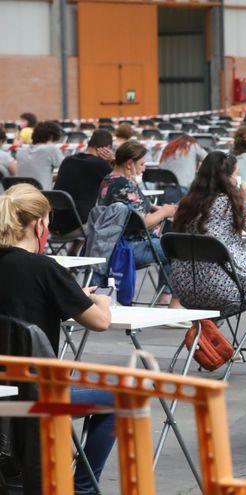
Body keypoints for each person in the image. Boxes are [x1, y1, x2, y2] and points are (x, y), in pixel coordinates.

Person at [0, 184, 116, 494]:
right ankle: (83, 488)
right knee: (117, 395)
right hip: (35, 390)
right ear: (38, 225)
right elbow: (100, 322)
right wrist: (100, 301)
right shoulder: (44, 268)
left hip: (3, 387)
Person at [170, 152, 246, 363]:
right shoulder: (230, 204)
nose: (237, 180)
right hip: (225, 289)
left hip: (187, 291)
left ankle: (212, 337)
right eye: (236, 175)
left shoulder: (185, 205)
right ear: (227, 178)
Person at [99, 141, 180, 308]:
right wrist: (164, 212)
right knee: (180, 251)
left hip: (110, 245)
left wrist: (160, 208)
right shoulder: (126, 186)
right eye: (142, 164)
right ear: (129, 164)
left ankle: (165, 295)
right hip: (131, 247)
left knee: (169, 244)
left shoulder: (109, 180)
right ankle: (173, 304)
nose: (144, 168)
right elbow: (143, 222)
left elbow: (138, 206)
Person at [52, 130, 114, 239]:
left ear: (90, 144)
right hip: (78, 227)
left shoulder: (67, 160)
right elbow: (119, 185)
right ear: (108, 148)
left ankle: (74, 251)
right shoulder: (101, 165)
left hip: (52, 226)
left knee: (83, 209)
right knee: (113, 220)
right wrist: (113, 160)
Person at [15, 121, 64, 189]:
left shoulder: (21, 151)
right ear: (51, 137)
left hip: (21, 193)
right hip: (41, 195)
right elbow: (66, 168)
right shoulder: (51, 149)